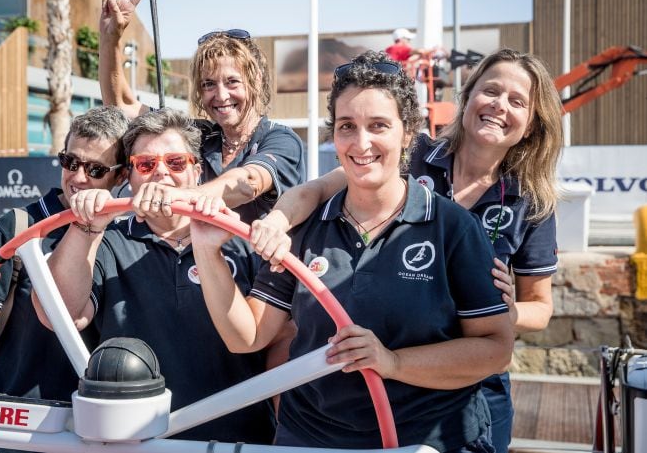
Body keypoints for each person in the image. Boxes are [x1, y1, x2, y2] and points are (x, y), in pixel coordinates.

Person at [191, 51, 514, 452]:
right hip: (311, 439)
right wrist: (207, 252)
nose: (361, 143)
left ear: (407, 133)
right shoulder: (306, 224)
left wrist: (392, 362)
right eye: (347, 127)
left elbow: (496, 349)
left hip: (426, 440)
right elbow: (249, 336)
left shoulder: (451, 228)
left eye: (378, 125)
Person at [251, 48, 564, 453]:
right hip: (374, 364)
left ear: (532, 123)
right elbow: (315, 190)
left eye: (517, 101)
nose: (499, 106)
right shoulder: (408, 152)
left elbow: (540, 306)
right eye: (490, 91)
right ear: (466, 98)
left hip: (466, 375)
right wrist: (277, 221)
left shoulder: (532, 202)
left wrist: (498, 307)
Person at [32, 108, 277, 444]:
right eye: (146, 165)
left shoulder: (242, 241)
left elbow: (278, 341)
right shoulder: (106, 241)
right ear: (129, 177)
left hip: (239, 442)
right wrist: (87, 226)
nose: (160, 173)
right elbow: (58, 315)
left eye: (175, 162)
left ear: (197, 170)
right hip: (136, 443)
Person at [0, 106, 130, 453]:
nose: (78, 177)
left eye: (95, 169)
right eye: (70, 162)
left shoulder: (127, 235)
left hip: (92, 425)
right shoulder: (18, 226)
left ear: (120, 177)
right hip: (12, 423)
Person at [99, 0, 305, 224]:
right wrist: (111, 37)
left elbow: (246, 184)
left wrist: (173, 197)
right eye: (208, 84)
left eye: (232, 82)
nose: (220, 95)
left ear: (256, 81)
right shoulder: (200, 134)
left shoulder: (281, 139)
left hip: (262, 264)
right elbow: (121, 106)